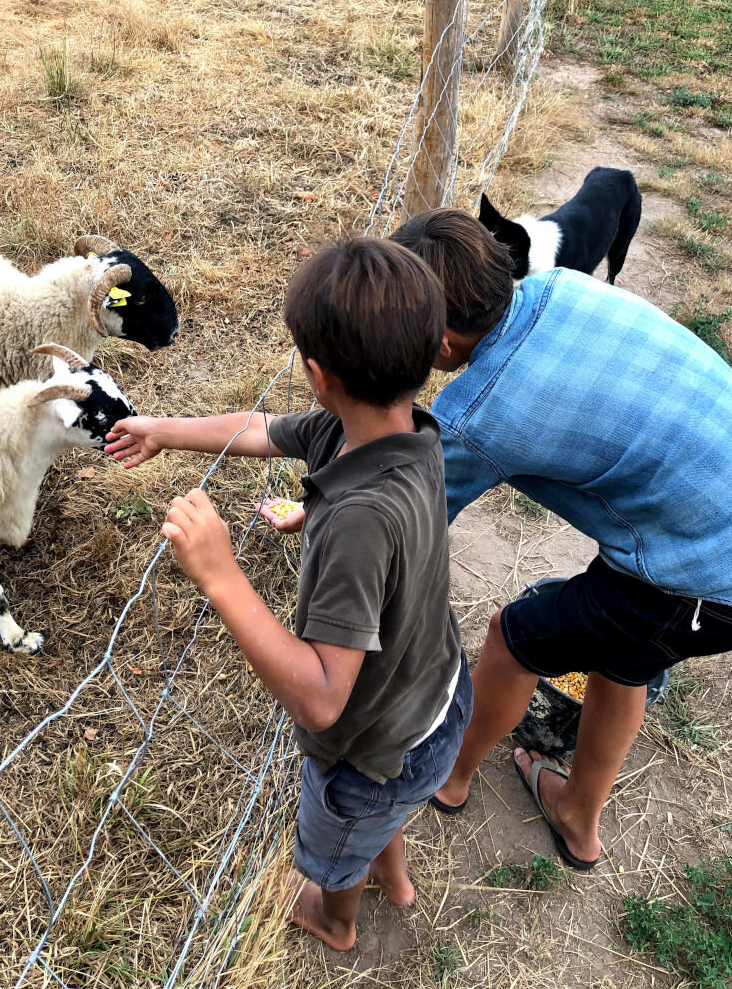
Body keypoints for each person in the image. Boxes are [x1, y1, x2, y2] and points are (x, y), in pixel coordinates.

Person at [105, 237, 472, 950]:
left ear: (316, 373)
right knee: (386, 812)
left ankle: (333, 918)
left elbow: (322, 696)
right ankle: (393, 879)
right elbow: (262, 431)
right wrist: (164, 430)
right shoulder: (403, 432)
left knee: (339, 844)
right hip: (433, 695)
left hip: (370, 749)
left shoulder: (359, 519)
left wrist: (220, 573)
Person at [391, 208, 732, 871]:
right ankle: (577, 817)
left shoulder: (478, 413)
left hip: (711, 575)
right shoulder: (562, 286)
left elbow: (406, 519)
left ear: (442, 345)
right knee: (625, 659)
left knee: (515, 637)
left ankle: (450, 778)